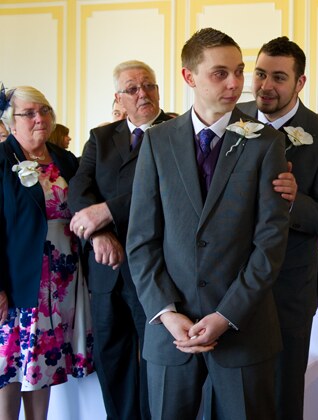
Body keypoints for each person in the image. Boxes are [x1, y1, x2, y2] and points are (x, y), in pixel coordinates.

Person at [126, 28, 290, 419]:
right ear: (189, 77)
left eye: (239, 71)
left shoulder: (266, 143)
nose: (235, 83)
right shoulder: (158, 141)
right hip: (170, 333)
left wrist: (226, 315)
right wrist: (166, 313)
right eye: (220, 73)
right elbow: (142, 239)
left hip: (243, 327)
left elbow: (269, 243)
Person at [237, 36, 318, 419]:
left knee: (283, 392)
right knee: (233, 388)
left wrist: (294, 199)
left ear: (300, 83)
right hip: (228, 281)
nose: (266, 85)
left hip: (288, 286)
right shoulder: (230, 119)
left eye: (279, 77)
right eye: (261, 74)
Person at [68, 60, 172, 420]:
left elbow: (163, 190)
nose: (143, 93)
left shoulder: (178, 130)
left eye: (149, 85)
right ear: (118, 97)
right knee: (111, 355)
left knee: (159, 357)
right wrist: (98, 231)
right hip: (107, 268)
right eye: (132, 88)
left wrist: (107, 211)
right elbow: (79, 190)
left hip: (159, 267)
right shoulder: (101, 137)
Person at [0, 85, 93, 420]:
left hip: (63, 277)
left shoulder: (64, 158)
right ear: (11, 122)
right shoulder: (1, 160)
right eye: (29, 113)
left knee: (42, 360)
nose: (39, 118)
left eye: (45, 110)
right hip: (19, 279)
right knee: (10, 363)